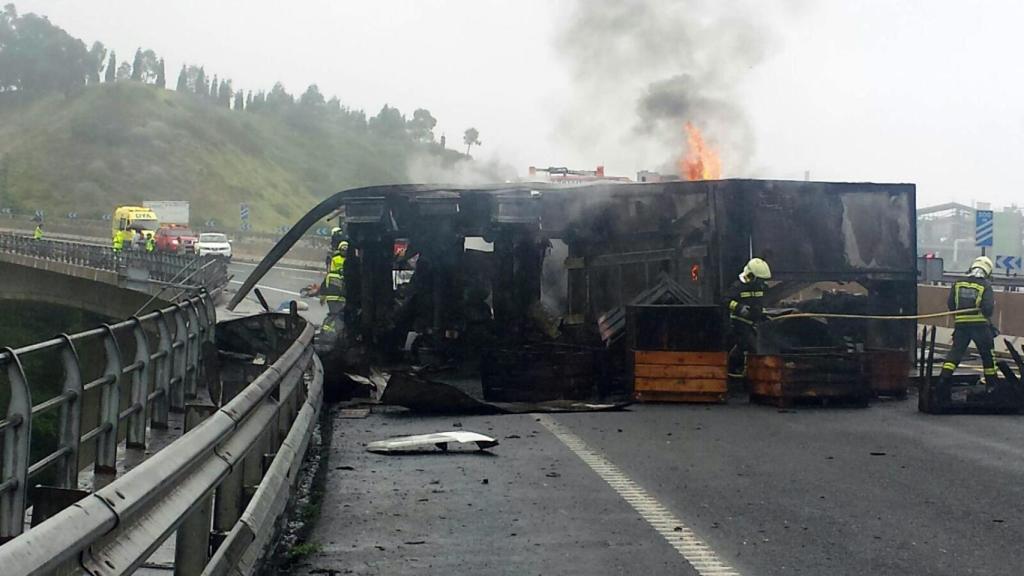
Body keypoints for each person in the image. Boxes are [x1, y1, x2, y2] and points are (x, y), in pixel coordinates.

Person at [939, 256, 997, 386]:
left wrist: (959, 318)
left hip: (961, 326)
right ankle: (992, 385)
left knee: (955, 353)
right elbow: (988, 309)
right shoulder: (985, 285)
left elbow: (951, 303)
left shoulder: (958, 283)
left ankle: (943, 379)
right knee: (987, 355)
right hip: (980, 327)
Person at [724, 257, 771, 378]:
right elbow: (725, 300)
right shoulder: (737, 286)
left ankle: (740, 370)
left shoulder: (761, 286)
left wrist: (762, 312)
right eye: (759, 279)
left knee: (753, 345)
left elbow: (761, 301)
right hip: (739, 322)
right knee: (752, 346)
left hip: (754, 322)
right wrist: (740, 308)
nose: (761, 282)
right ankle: (745, 372)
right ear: (751, 276)